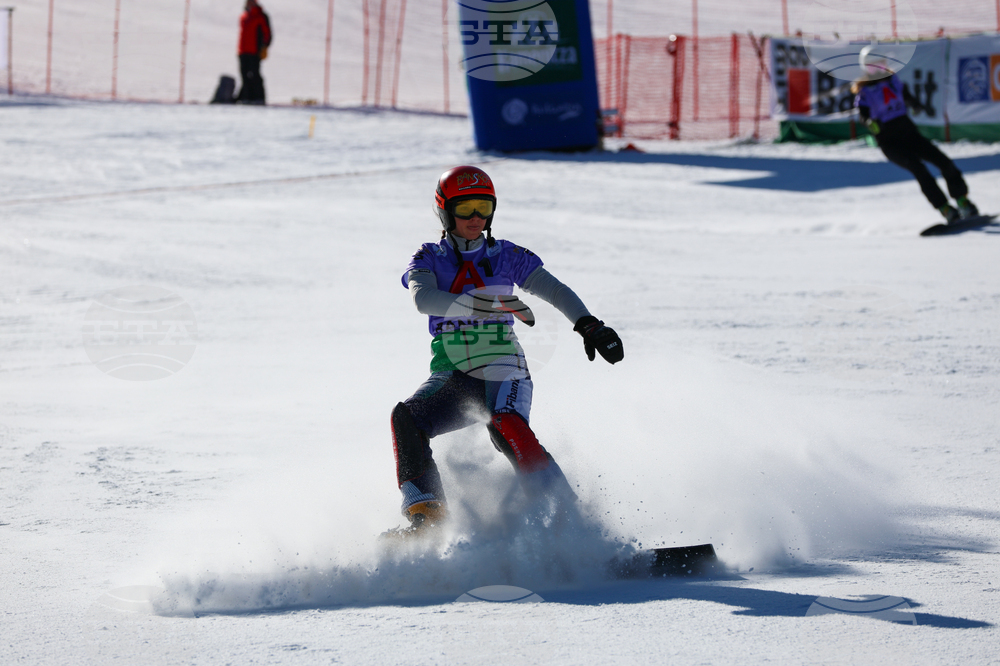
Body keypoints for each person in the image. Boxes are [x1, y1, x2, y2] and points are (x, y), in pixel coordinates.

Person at [389, 166, 624, 534]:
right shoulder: (428, 257)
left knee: (506, 425)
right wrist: (482, 304)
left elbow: (554, 289)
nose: (476, 218)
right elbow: (423, 300)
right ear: (445, 211)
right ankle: (428, 521)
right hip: (453, 371)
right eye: (465, 209)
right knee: (407, 419)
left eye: (484, 207)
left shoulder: (505, 254)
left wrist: (588, 323)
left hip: (503, 364)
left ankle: (571, 524)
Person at [852, 45, 978, 223]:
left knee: (944, 162)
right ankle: (945, 209)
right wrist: (870, 123)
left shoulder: (893, 81)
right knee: (920, 170)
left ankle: (962, 201)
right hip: (890, 143)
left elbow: (907, 96)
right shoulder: (864, 92)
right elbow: (863, 115)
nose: (880, 69)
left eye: (882, 64)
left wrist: (916, 105)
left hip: (909, 134)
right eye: (875, 66)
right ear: (868, 68)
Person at [237, 0, 272, 104]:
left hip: (254, 51)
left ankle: (259, 97)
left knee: (254, 74)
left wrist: (264, 47)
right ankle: (246, 97)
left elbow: (267, 33)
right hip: (243, 50)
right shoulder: (244, 15)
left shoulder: (260, 15)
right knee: (244, 75)